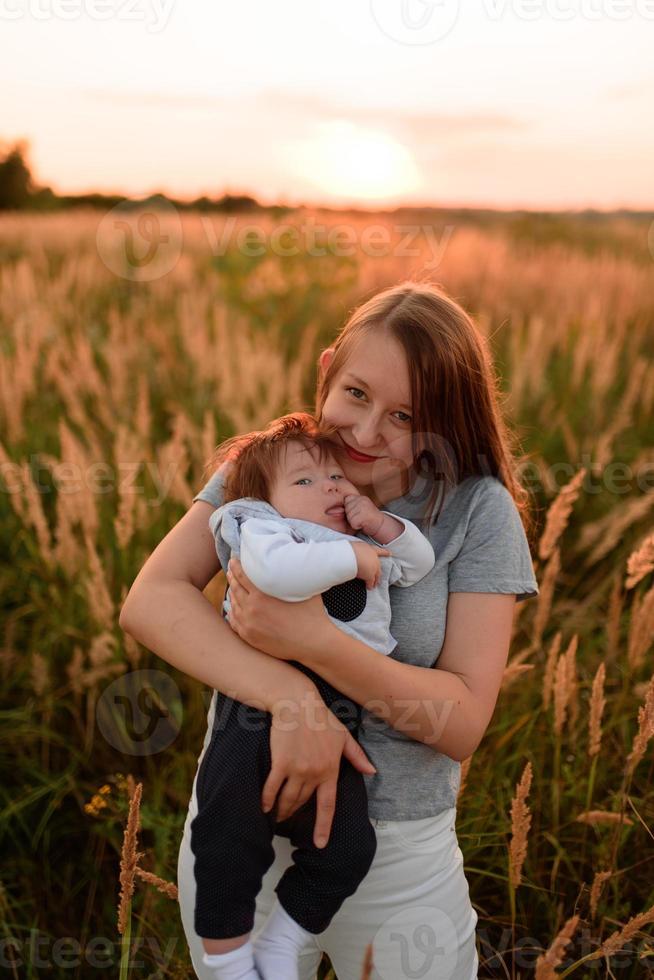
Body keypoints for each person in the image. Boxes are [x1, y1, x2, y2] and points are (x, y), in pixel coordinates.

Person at [120, 280, 540, 980]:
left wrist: (314, 643)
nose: (369, 433)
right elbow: (151, 601)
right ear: (326, 373)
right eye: (355, 395)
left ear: (444, 419)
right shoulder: (270, 467)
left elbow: (462, 719)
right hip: (242, 825)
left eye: (405, 415)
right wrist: (293, 696)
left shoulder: (475, 510)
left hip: (397, 857)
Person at [191, 412, 435, 979]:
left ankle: (282, 943)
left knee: (347, 847)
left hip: (342, 715)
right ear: (264, 500)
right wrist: (353, 557)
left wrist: (378, 526)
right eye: (304, 481)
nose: (328, 487)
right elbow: (278, 576)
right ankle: (225, 961)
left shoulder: (354, 538)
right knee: (227, 832)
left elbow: (417, 566)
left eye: (335, 478)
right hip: (255, 706)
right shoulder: (262, 527)